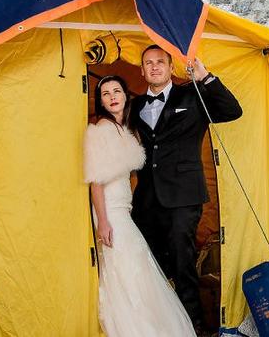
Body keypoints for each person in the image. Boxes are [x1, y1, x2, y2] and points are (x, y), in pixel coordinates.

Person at [130, 45, 243, 329]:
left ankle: (193, 326)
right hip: (145, 199)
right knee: (149, 264)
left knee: (183, 262)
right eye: (148, 62)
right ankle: (159, 326)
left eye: (160, 62)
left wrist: (205, 77)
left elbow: (232, 111)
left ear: (171, 68)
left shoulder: (192, 95)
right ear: (142, 70)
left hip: (183, 196)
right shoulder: (134, 106)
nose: (154, 67)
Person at [83, 75, 195, 337]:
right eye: (106, 93)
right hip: (110, 212)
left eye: (117, 91)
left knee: (137, 267)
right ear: (100, 101)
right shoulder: (102, 129)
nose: (112, 97)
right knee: (128, 268)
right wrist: (104, 221)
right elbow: (96, 182)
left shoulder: (126, 129)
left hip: (123, 209)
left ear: (125, 95)